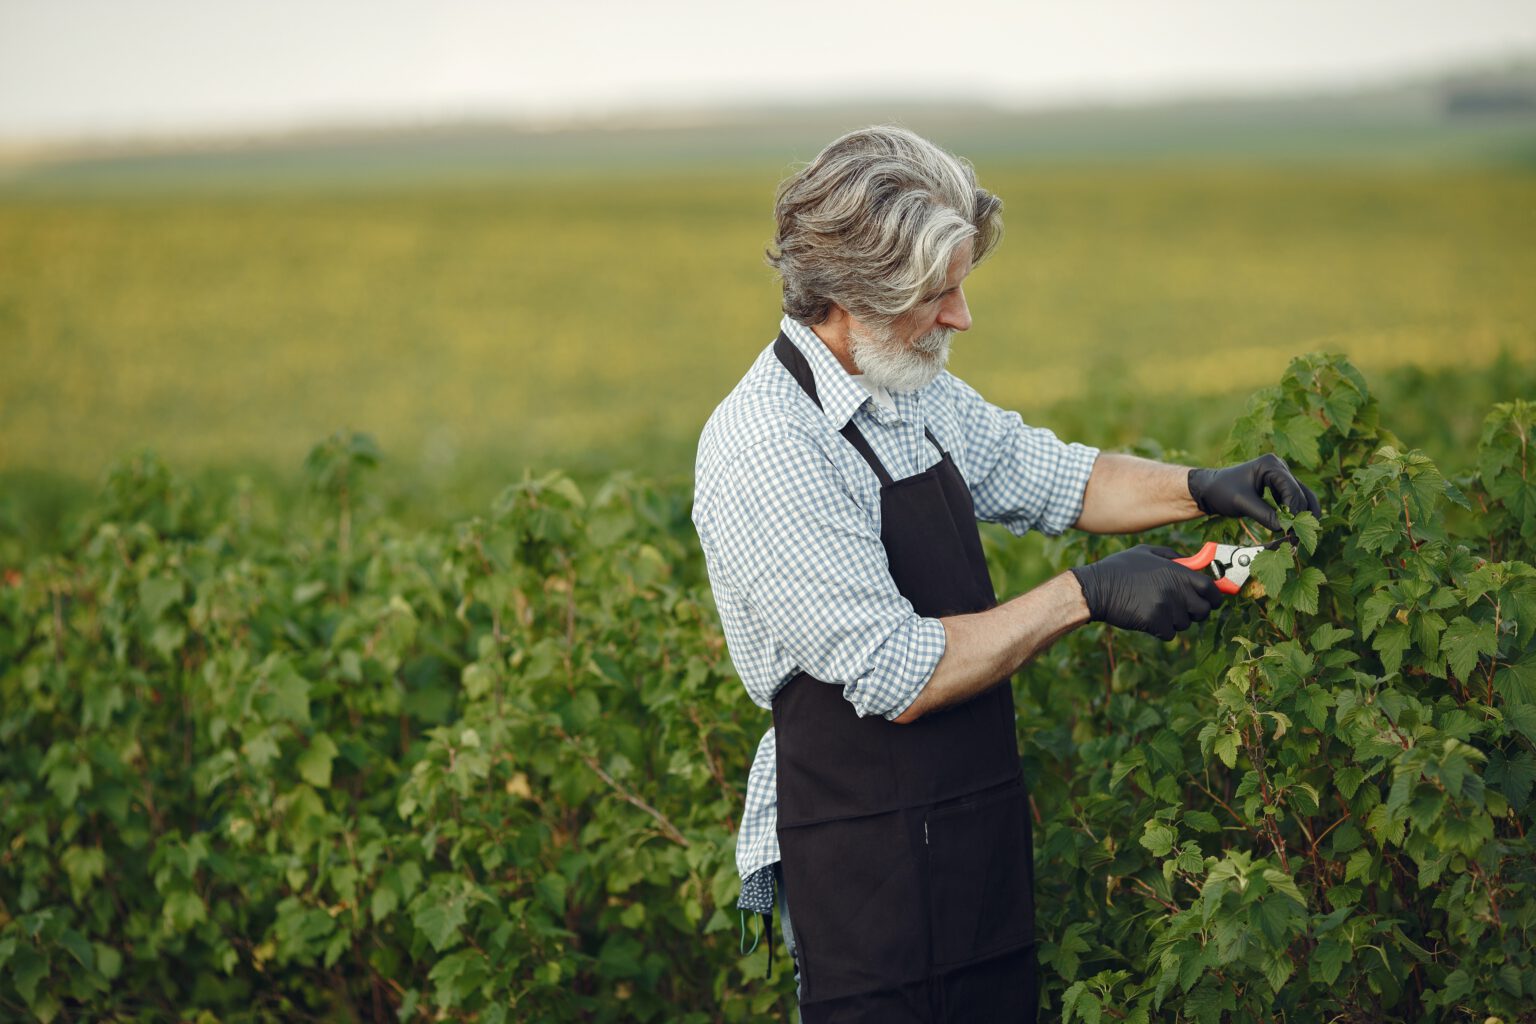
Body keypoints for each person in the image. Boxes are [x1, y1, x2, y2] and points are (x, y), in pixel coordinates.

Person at [690, 126, 1319, 1023]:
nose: (961, 318)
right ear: (848, 299)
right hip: (858, 856)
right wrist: (1086, 594)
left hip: (967, 822)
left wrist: (1203, 489)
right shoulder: (769, 447)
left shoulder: (900, 382)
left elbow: (1047, 474)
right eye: (937, 296)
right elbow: (900, 674)